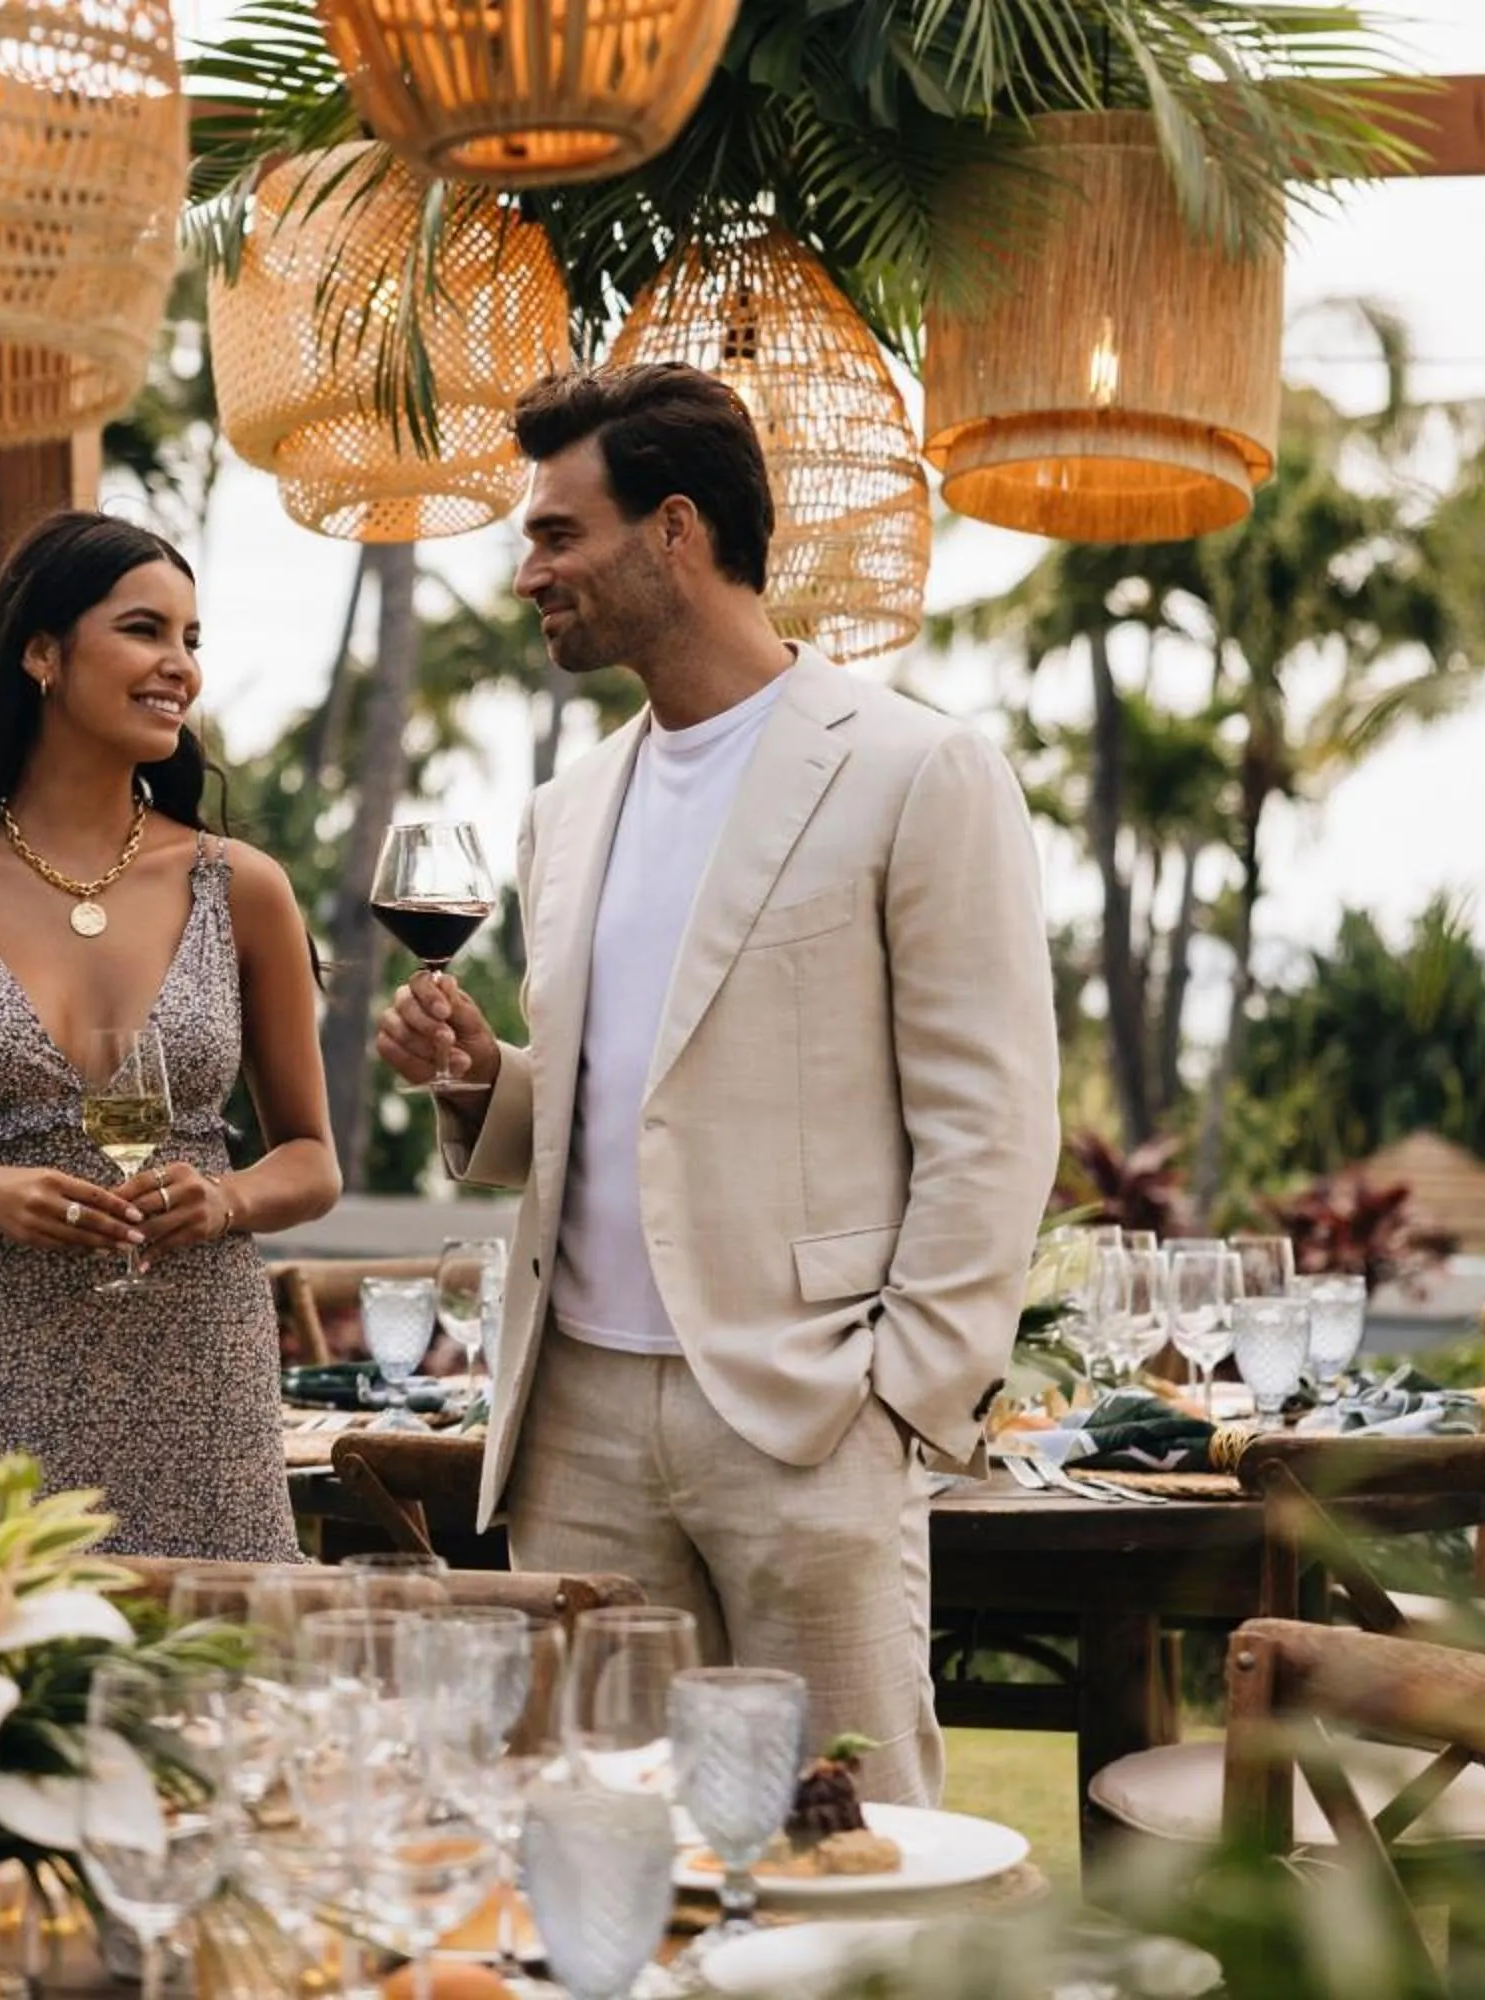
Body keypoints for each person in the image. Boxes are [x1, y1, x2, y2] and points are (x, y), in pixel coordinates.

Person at [374, 364, 1058, 1803]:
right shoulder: (564, 812)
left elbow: (992, 1126)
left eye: (558, 535)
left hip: (807, 1419)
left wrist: (896, 1404)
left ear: (673, 530)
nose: (527, 575)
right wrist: (482, 1081)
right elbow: (605, 1100)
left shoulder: (919, 770)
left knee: (848, 1849)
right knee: (602, 1852)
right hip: (576, 1426)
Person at [0, 510, 340, 1561]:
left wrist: (226, 1196)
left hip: (197, 1372)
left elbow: (314, 1161)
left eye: (191, 639)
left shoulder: (245, 888)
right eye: (145, 630)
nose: (177, 666)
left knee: (220, 1679)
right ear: (42, 653)